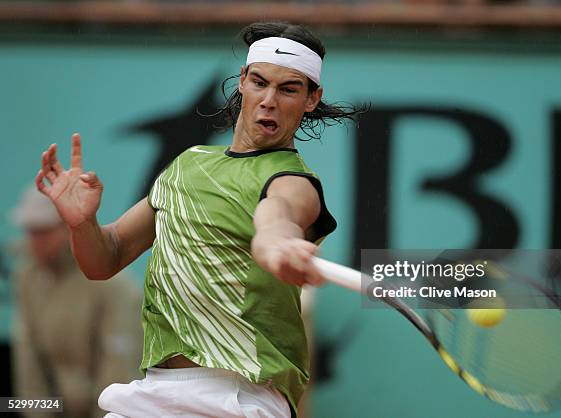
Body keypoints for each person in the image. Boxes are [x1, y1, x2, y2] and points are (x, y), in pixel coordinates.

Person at [35, 22, 361, 417]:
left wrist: (277, 243)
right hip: (151, 392)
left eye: (289, 89)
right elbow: (106, 258)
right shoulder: (188, 164)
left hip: (239, 397)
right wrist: (81, 223)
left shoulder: (295, 182)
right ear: (242, 81)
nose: (269, 100)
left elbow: (278, 219)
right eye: (259, 82)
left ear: (312, 99)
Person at [9, 186, 143, 418]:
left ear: (68, 227)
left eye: (43, 231)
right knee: (4, 404)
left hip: (108, 411)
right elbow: (27, 359)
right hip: (57, 409)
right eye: (30, 231)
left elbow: (119, 375)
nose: (35, 240)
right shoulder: (27, 278)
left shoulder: (116, 287)